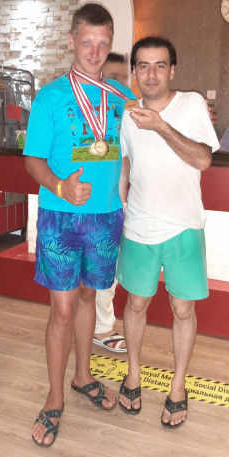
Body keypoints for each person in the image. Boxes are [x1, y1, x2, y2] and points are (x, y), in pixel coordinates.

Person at [24, 3, 135, 448]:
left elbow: (134, 145)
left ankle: (82, 376)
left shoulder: (120, 97)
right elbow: (32, 159)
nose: (94, 51)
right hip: (61, 218)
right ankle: (54, 397)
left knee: (90, 296)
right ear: (72, 41)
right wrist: (59, 185)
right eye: (87, 42)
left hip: (105, 218)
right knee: (63, 310)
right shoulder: (50, 97)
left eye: (103, 44)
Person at [116, 36, 220, 428]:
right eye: (143, 65)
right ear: (134, 72)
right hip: (139, 225)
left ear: (172, 70)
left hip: (184, 226)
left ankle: (178, 386)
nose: (151, 74)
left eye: (160, 65)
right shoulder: (127, 114)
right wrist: (120, 201)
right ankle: (133, 374)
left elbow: (203, 159)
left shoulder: (191, 104)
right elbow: (126, 161)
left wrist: (160, 126)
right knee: (136, 303)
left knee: (183, 308)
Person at [93, 52, 130, 354]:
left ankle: (96, 324)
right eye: (113, 77)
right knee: (103, 271)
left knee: (111, 270)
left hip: (121, 203)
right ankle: (101, 328)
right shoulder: (93, 111)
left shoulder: (127, 107)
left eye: (124, 77)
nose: (120, 83)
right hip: (95, 206)